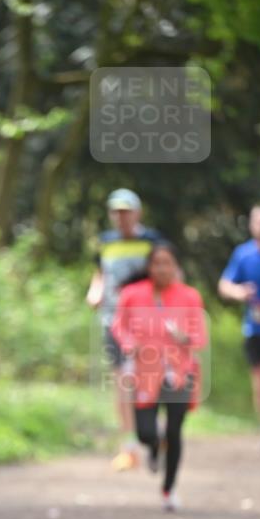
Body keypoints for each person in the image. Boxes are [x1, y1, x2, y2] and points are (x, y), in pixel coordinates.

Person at [111, 242, 207, 512]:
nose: (162, 268)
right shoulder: (132, 294)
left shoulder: (190, 297)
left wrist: (183, 336)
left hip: (180, 372)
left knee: (175, 431)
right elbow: (119, 325)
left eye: (168, 263)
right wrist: (130, 342)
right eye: (157, 263)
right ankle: (154, 447)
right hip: (145, 372)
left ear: (176, 267)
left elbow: (199, 336)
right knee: (144, 432)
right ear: (149, 267)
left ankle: (168, 489)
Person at [86, 189, 160, 471]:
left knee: (146, 382)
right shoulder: (105, 242)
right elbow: (100, 274)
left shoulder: (152, 241)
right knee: (122, 382)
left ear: (137, 213)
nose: (121, 217)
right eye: (116, 212)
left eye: (126, 211)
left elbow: (166, 274)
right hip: (113, 323)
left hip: (147, 325)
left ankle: (154, 433)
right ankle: (128, 447)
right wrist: (95, 292)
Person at [218, 206, 260, 450]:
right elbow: (225, 284)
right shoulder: (243, 254)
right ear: (252, 225)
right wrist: (240, 292)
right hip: (254, 329)